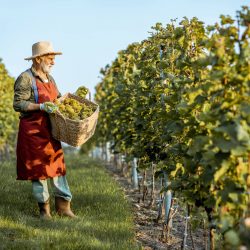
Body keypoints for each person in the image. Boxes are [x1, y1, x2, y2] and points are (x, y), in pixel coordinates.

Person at [13, 41, 76, 219]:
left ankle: (64, 208)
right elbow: (18, 104)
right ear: (38, 59)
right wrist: (40, 106)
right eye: (50, 58)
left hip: (50, 130)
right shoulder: (25, 78)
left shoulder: (50, 78)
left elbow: (55, 100)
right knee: (38, 170)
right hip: (33, 132)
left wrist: (65, 101)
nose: (53, 62)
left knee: (57, 167)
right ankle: (44, 210)